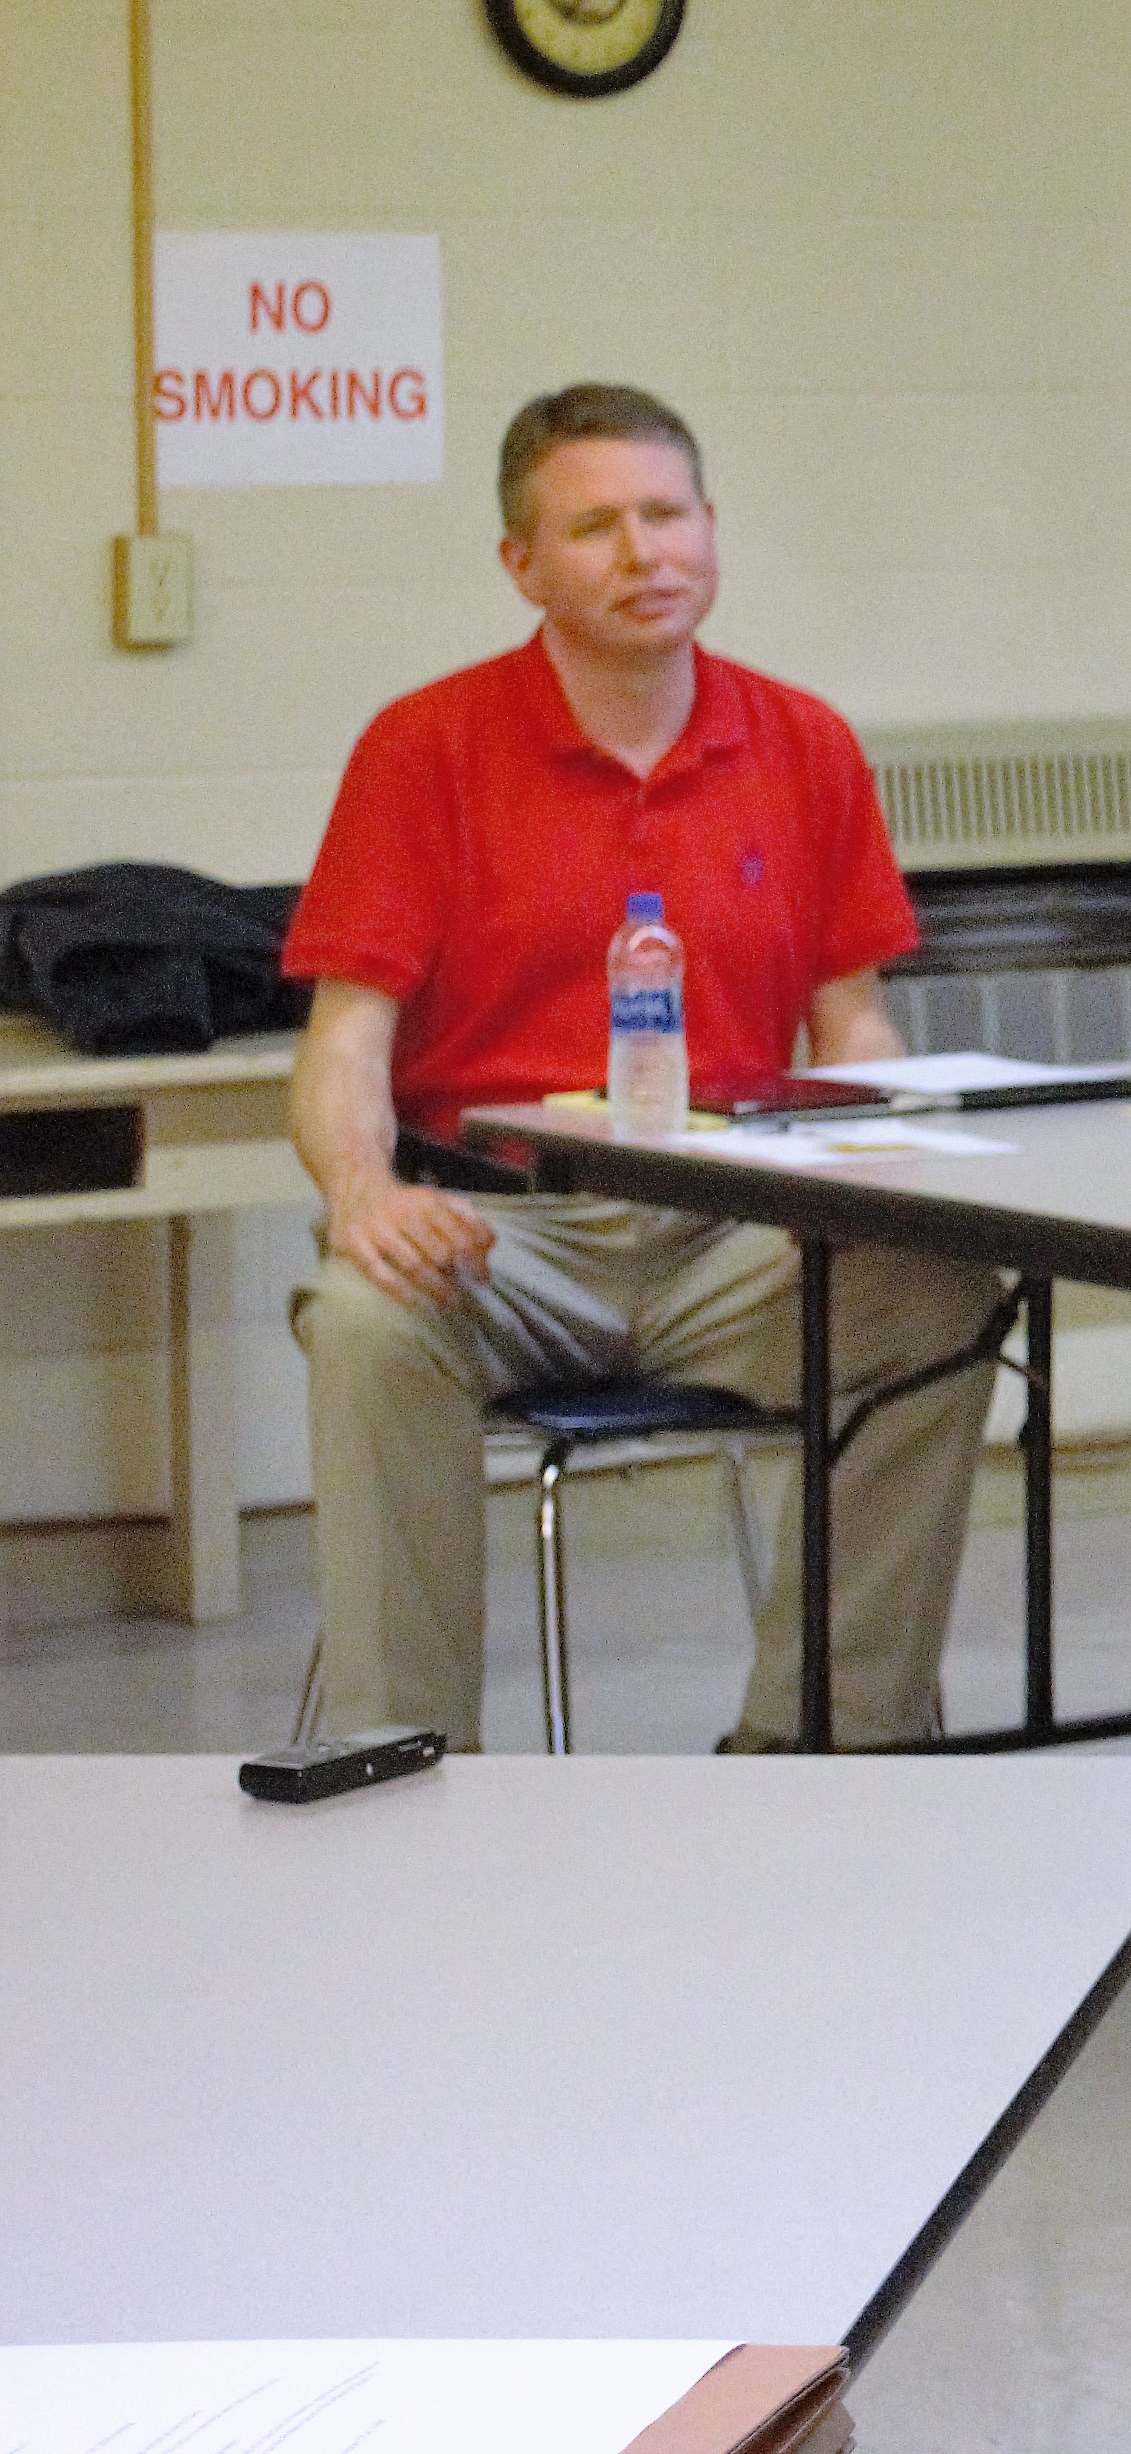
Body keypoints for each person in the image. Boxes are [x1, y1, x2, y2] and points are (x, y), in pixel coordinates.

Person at [285, 382, 1006, 1750]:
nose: (643, 554)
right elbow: (347, 1040)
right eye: (595, 527)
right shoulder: (424, 747)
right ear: (523, 566)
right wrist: (363, 1196)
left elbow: (852, 1025)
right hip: (503, 1233)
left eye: (667, 516)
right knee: (366, 1322)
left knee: (937, 1298)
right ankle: (401, 1761)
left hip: (733, 1227)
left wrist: (891, 1155)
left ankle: (825, 1744)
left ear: (712, 529)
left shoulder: (803, 743)